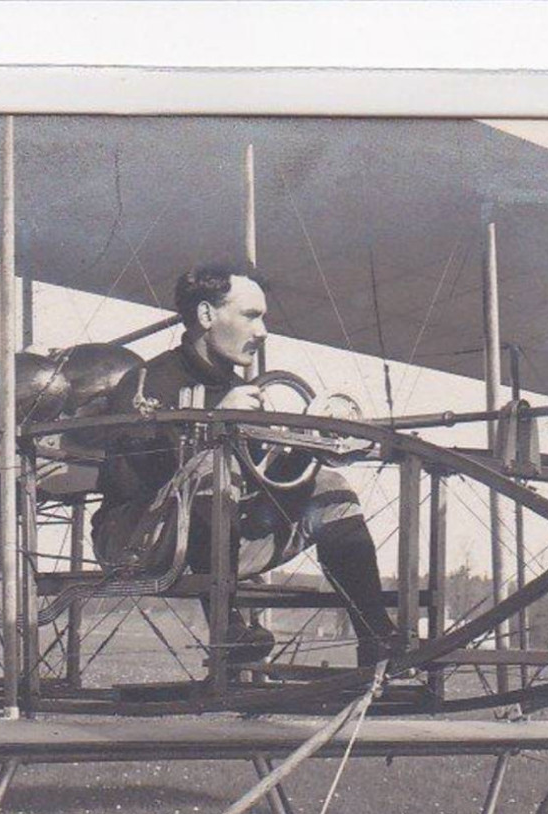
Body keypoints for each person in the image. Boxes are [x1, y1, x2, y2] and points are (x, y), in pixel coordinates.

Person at [90, 262, 400, 668]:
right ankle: (228, 629)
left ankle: (377, 638)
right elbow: (134, 477)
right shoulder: (148, 381)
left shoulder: (244, 392)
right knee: (213, 468)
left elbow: (262, 483)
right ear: (206, 315)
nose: (262, 331)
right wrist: (213, 420)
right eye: (250, 316)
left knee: (331, 489)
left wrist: (311, 451)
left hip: (220, 540)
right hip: (134, 541)